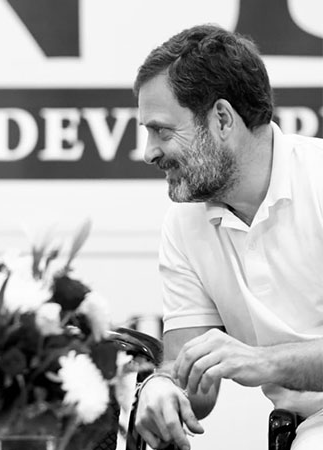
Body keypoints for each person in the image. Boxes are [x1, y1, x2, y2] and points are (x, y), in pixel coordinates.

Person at [132, 24, 323, 450]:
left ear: (221, 119)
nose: (149, 152)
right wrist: (161, 388)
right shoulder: (183, 225)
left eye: (162, 130)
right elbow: (192, 381)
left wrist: (264, 362)